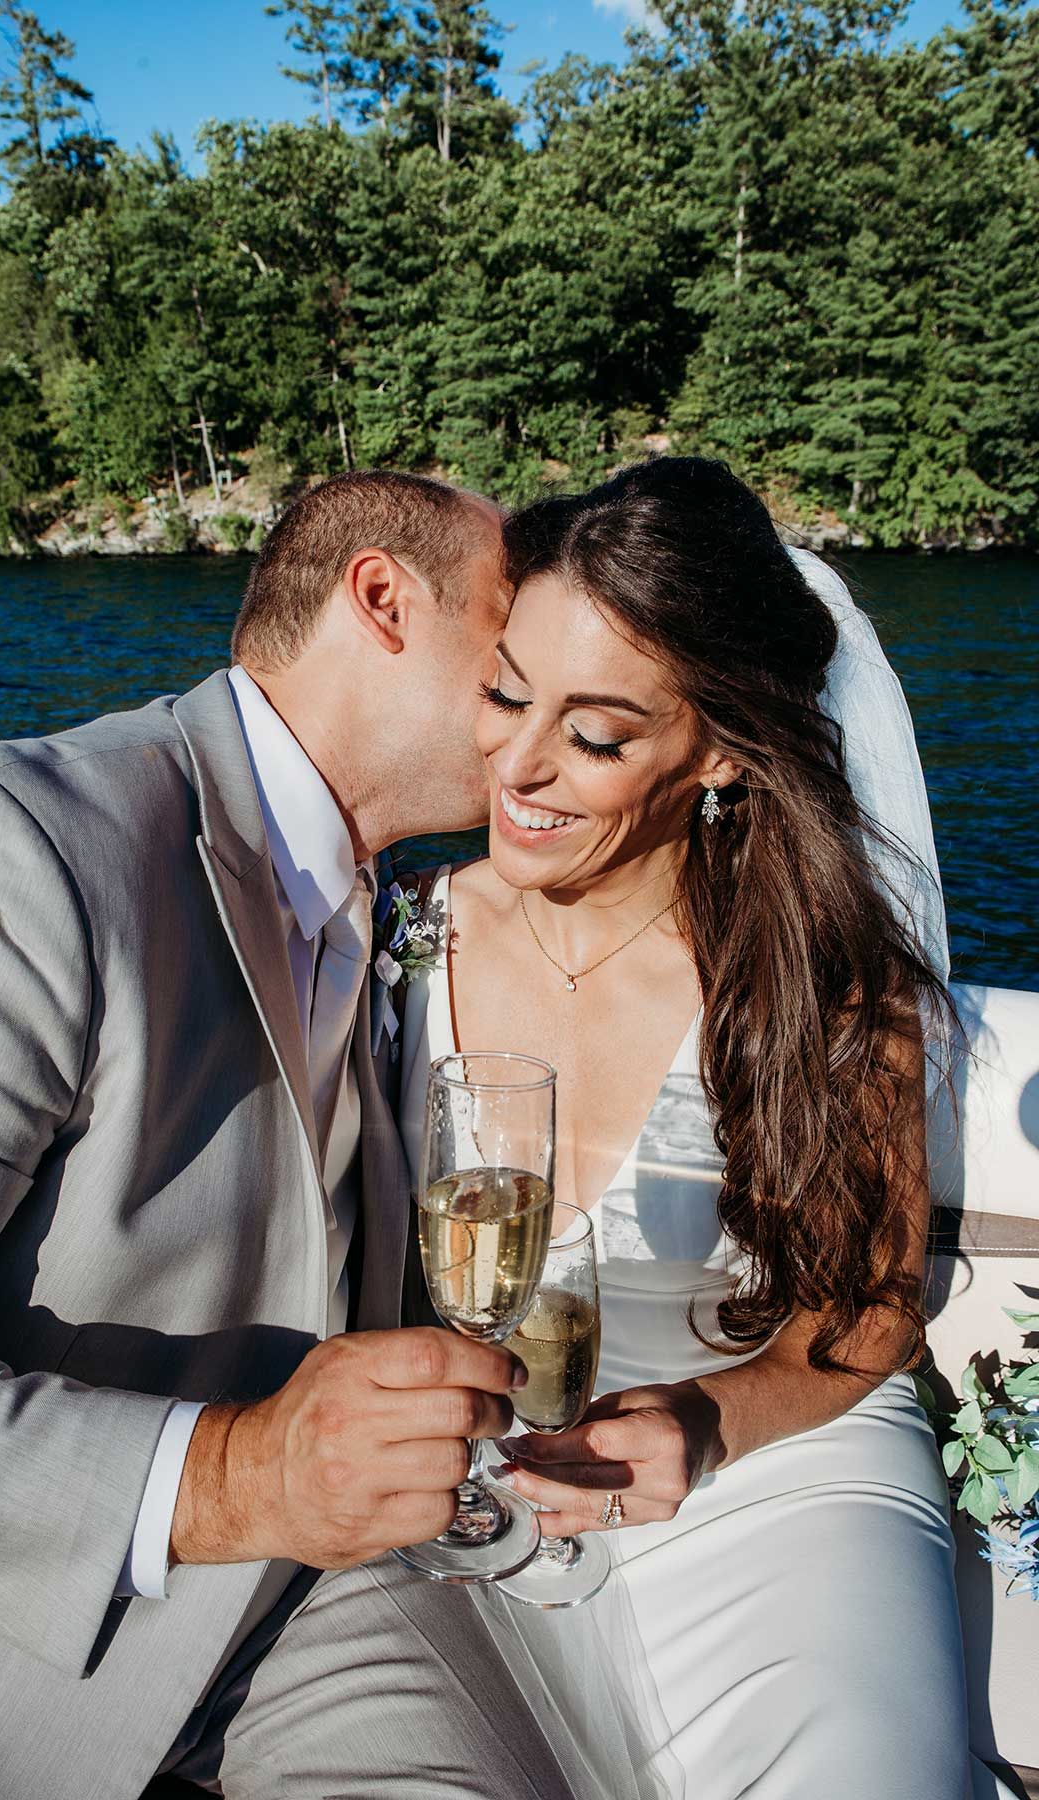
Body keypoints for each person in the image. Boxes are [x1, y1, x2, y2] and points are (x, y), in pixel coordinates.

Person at [0, 470, 583, 1800]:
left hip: (320, 1595)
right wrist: (241, 1479)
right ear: (382, 599)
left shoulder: (382, 893)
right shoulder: (17, 853)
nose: (543, 697)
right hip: (8, 1654)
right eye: (510, 637)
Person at [398, 458, 1011, 1800]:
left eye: (596, 735)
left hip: (776, 1471)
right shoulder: (399, 945)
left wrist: (710, 1421)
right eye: (507, 694)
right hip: (475, 1490)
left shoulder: (824, 986)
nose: (519, 764)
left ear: (720, 750)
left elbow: (866, 1313)